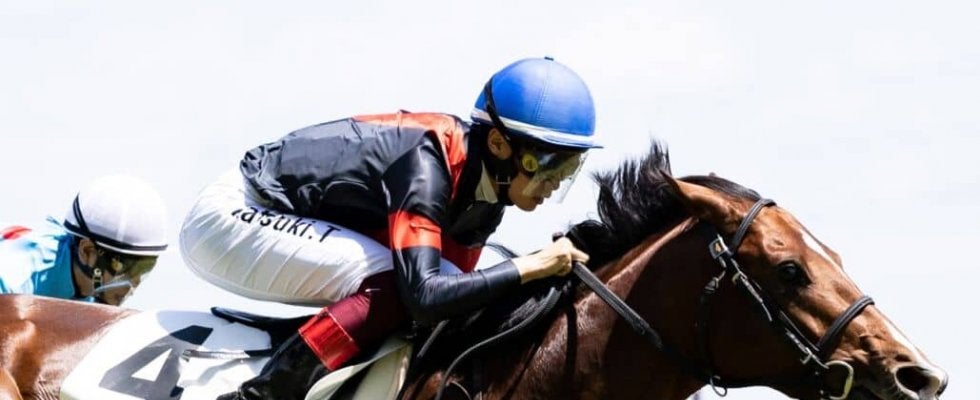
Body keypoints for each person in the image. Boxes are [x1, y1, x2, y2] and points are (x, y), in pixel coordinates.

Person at [179, 57, 599, 399]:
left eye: (568, 166)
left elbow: (450, 300)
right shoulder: (427, 163)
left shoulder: (487, 198)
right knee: (399, 285)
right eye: (547, 163)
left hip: (289, 219)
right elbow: (423, 296)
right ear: (498, 145)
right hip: (234, 213)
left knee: (446, 291)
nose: (555, 181)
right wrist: (530, 266)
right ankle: (262, 396)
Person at [0, 174, 169, 306]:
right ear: (87, 251)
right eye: (124, 267)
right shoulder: (13, 283)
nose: (135, 282)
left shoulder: (92, 279)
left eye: (145, 268)